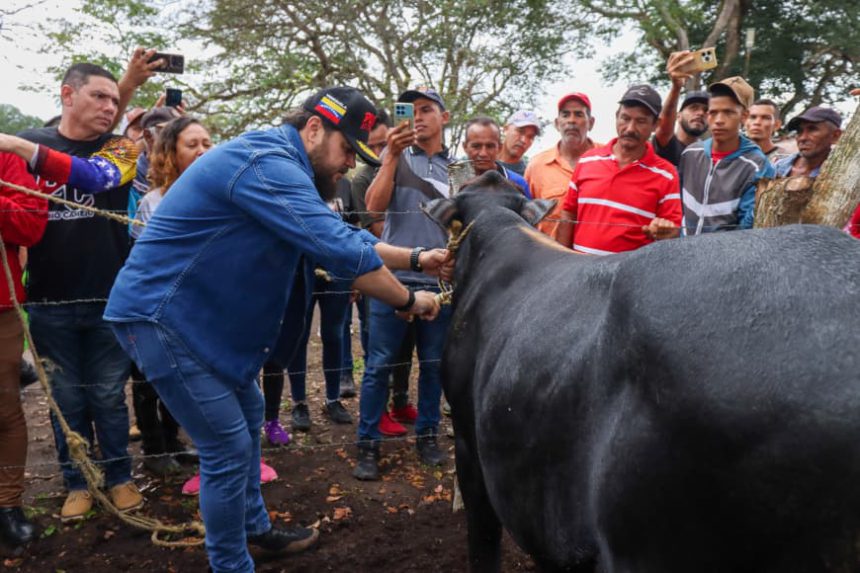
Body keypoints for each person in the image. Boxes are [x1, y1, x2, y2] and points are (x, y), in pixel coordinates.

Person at [103, 86, 449, 573]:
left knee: (245, 418)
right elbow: (339, 249)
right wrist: (411, 298)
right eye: (347, 150)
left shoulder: (278, 161)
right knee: (225, 447)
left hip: (198, 317)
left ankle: (255, 529)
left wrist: (416, 257)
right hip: (161, 317)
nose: (349, 165)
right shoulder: (266, 164)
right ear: (313, 129)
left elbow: (345, 233)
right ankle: (231, 563)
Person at [7, 61, 149, 521]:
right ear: (67, 96)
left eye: (115, 99)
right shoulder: (35, 142)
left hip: (111, 296)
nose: (110, 107)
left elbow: (98, 179)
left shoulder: (121, 150)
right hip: (49, 299)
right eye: (99, 97)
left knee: (108, 394)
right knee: (65, 398)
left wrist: (13, 143)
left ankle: (120, 476)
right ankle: (77, 481)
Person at [358, 86, 454, 480]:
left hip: (439, 283)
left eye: (427, 109)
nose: (418, 117)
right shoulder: (393, 156)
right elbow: (371, 207)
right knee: (378, 364)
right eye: (410, 110)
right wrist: (392, 156)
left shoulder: (457, 167)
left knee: (433, 366)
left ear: (444, 117)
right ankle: (367, 443)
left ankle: (428, 437)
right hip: (392, 280)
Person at [555, 85, 681, 253]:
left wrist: (665, 230)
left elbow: (673, 231)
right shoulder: (587, 160)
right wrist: (562, 260)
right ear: (616, 117)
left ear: (655, 125)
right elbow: (569, 214)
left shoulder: (666, 174)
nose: (630, 128)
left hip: (629, 277)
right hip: (579, 273)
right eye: (625, 118)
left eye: (641, 121)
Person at [0, 152, 47, 548]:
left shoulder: (7, 159)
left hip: (0, 308)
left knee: (4, 410)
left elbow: (31, 225)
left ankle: (8, 505)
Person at [678, 77, 774, 234]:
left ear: (744, 116)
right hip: (683, 250)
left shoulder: (757, 166)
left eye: (728, 112)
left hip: (724, 255)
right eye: (713, 113)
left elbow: (748, 228)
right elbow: (677, 205)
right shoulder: (690, 154)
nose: (719, 120)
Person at [525, 92, 598, 237]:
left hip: (600, 256)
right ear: (557, 124)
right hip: (551, 257)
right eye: (565, 115)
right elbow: (526, 221)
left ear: (591, 123)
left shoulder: (609, 159)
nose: (572, 120)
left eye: (579, 114)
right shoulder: (536, 166)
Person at [653, 51, 709, 166]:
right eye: (693, 108)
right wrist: (676, 87)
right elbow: (663, 127)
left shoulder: (708, 156)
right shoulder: (667, 144)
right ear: (678, 116)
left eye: (706, 110)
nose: (700, 113)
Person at [462, 116, 531, 197]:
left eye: (490, 146)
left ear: (499, 148)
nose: (483, 153)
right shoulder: (451, 180)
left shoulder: (518, 183)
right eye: (476, 146)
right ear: (465, 147)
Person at [773, 106, 842, 179]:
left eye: (812, 129)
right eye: (799, 131)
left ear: (835, 136)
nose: (802, 138)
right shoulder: (777, 167)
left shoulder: (839, 175)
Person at [745, 99, 792, 163]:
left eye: (765, 118)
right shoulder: (733, 156)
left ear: (776, 125)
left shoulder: (786, 160)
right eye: (752, 117)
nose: (757, 122)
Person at [498, 110, 541, 175]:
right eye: (520, 132)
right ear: (506, 129)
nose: (524, 140)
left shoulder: (527, 177)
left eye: (530, 137)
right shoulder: (482, 159)